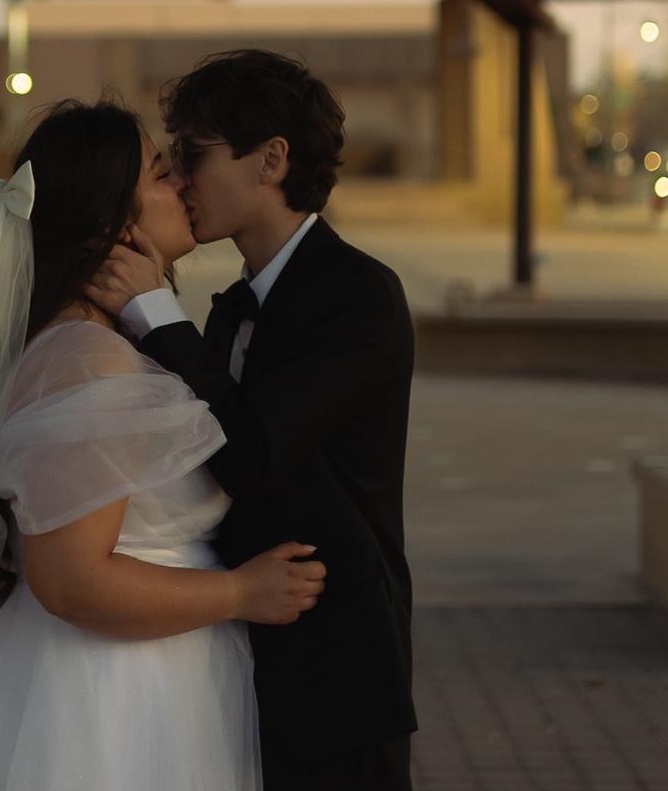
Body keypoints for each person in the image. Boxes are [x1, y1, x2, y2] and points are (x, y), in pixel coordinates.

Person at [0, 99, 325, 791]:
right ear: (112, 220)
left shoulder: (98, 342)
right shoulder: (90, 361)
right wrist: (240, 592)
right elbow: (72, 580)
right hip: (105, 696)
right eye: (159, 173)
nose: (182, 181)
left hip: (135, 672)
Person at [87, 50, 417, 791]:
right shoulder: (232, 309)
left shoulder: (359, 296)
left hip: (338, 670)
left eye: (194, 154)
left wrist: (155, 313)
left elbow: (253, 453)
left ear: (271, 160)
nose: (179, 179)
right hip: (240, 657)